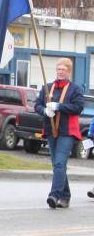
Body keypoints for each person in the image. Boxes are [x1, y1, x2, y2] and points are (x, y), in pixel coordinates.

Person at [35, 58, 84, 209]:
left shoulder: (74, 89)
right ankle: (66, 196)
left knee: (59, 163)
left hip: (67, 131)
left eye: (63, 69)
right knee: (57, 165)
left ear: (69, 71)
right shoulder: (47, 87)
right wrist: (44, 110)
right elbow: (37, 105)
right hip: (51, 130)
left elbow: (78, 107)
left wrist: (58, 106)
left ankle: (54, 195)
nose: (60, 71)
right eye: (58, 69)